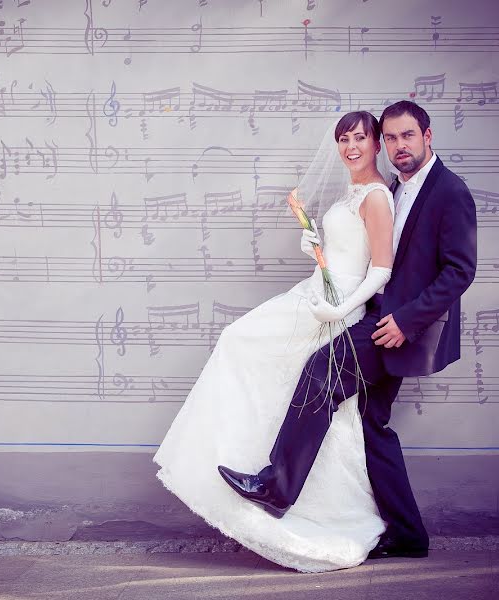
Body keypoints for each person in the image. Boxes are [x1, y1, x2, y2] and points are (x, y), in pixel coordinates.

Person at [216, 101, 477, 565]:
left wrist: (406, 321)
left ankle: (278, 486)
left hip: (396, 328)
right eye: (392, 138)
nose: (399, 146)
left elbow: (459, 270)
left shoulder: (449, 191)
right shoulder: (398, 186)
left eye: (407, 136)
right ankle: (409, 535)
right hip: (378, 316)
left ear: (428, 136)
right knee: (373, 428)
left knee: (321, 372)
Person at [154, 110, 397, 572]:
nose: (350, 148)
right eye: (343, 139)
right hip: (319, 290)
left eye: (359, 139)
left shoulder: (378, 197)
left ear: (376, 145)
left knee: (244, 345)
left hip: (337, 303)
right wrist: (316, 248)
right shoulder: (352, 192)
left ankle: (275, 484)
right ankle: (249, 465)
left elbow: (381, 269)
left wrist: (342, 309)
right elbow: (346, 251)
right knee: (260, 361)